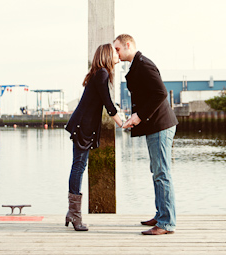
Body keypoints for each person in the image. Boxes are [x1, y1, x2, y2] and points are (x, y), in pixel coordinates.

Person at [114, 34, 178, 235]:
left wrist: (139, 116)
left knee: (162, 173)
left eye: (117, 49)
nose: (115, 53)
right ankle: (161, 215)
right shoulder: (137, 65)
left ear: (128, 45)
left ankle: (166, 223)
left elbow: (161, 93)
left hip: (160, 126)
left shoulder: (143, 64)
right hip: (155, 126)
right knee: (157, 172)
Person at [65, 43, 123, 231]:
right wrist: (122, 123)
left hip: (84, 126)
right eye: (115, 51)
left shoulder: (98, 74)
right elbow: (108, 102)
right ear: (107, 55)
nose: (117, 54)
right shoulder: (102, 74)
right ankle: (74, 214)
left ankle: (72, 212)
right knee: (79, 167)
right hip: (83, 128)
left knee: (78, 166)